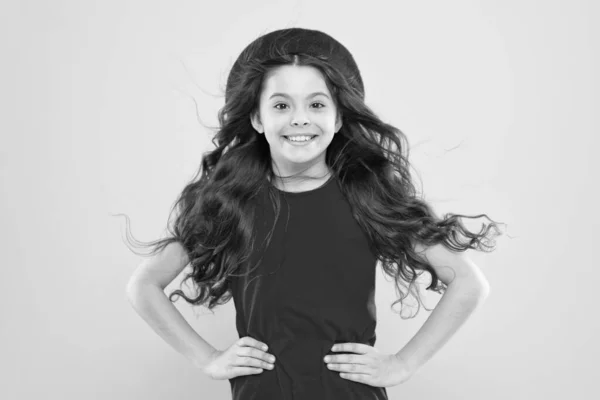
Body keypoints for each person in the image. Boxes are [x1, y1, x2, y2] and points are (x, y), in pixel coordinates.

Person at [123, 27, 503, 399]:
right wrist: (208, 359)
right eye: (281, 105)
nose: (300, 118)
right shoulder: (230, 201)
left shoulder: (366, 196)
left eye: (317, 104)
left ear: (338, 119)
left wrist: (402, 364)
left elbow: (469, 283)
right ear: (257, 119)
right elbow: (144, 286)